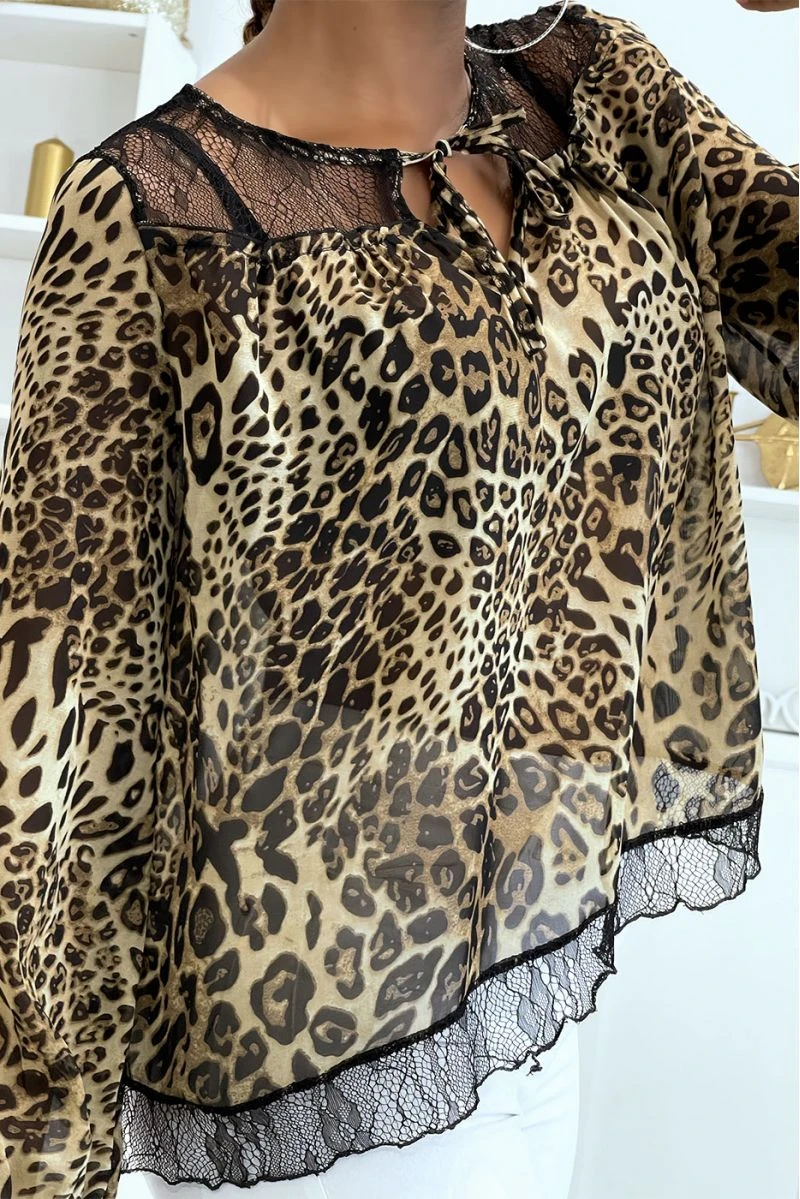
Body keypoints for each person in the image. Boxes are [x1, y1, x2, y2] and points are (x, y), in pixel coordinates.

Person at [0, 4, 796, 1199]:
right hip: (311, 1058)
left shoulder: (586, 88)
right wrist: (53, 1159)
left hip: (536, 991)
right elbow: (61, 748)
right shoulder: (154, 210)